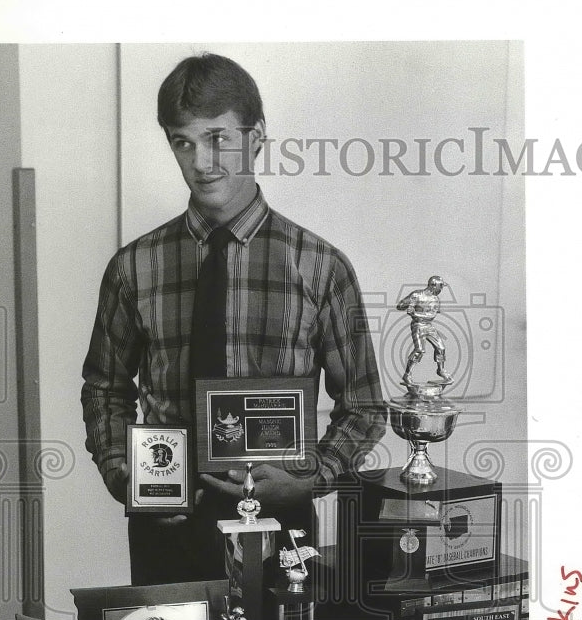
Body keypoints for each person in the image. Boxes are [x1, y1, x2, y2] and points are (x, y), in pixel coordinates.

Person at [81, 53, 385, 584]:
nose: (202, 161)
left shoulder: (320, 267)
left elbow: (363, 405)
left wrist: (311, 478)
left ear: (257, 135)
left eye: (219, 137)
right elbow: (105, 388)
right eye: (183, 141)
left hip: (280, 530)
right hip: (165, 528)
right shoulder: (134, 267)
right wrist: (123, 473)